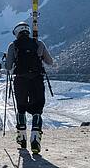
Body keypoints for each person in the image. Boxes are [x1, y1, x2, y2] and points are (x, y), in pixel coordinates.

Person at [5, 22, 54, 154]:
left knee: (21, 108)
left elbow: (8, 66)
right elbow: (50, 62)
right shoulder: (38, 44)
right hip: (37, 80)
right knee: (37, 109)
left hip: (20, 80)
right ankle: (35, 138)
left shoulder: (13, 45)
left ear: (17, 32)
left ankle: (22, 137)